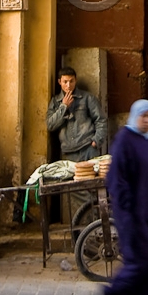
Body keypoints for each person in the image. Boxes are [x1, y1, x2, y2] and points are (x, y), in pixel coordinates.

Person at [95, 99, 148, 295]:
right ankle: (110, 294)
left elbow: (145, 167)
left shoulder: (145, 141)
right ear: (135, 116)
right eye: (143, 115)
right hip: (133, 213)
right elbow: (117, 179)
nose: (147, 120)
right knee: (138, 260)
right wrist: (128, 211)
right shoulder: (124, 141)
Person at [45, 66, 108, 212]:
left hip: (88, 150)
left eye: (71, 81)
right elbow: (50, 125)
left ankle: (97, 225)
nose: (68, 85)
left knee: (93, 188)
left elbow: (101, 120)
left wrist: (96, 141)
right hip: (69, 154)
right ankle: (84, 227)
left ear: (76, 81)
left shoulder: (87, 98)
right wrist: (63, 107)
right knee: (75, 192)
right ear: (59, 82)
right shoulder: (55, 102)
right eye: (65, 82)